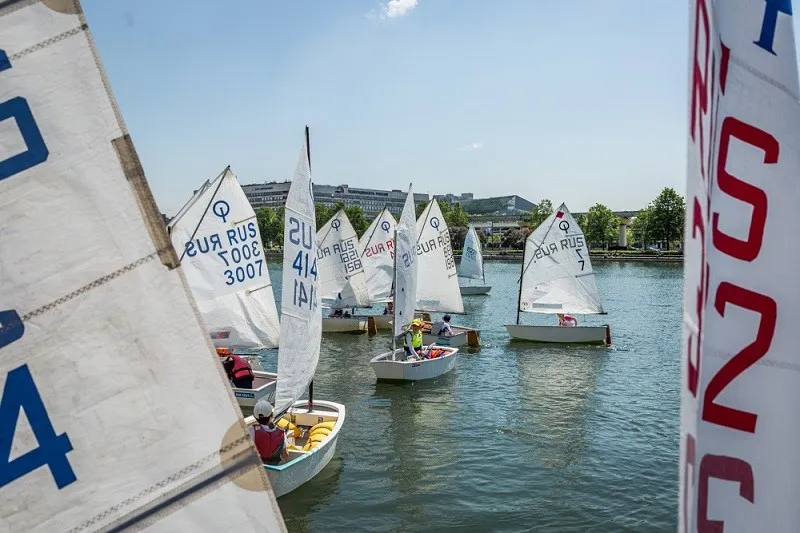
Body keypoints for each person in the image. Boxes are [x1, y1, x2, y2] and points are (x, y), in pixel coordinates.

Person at [248, 400, 289, 465]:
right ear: (271, 415)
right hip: (273, 468)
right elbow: (285, 455)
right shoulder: (281, 432)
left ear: (255, 417)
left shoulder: (251, 430)